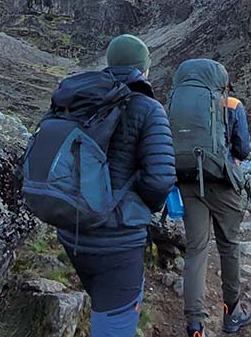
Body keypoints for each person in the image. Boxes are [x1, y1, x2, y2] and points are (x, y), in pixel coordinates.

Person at [57, 34, 176, 336]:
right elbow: (160, 179)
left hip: (71, 229)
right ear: (143, 69)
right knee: (114, 325)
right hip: (117, 241)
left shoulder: (79, 101)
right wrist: (143, 207)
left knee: (100, 300)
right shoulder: (149, 108)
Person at [168, 59, 251, 336]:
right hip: (222, 182)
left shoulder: (175, 103)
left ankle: (195, 325)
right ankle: (232, 313)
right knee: (229, 245)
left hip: (187, 183)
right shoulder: (231, 104)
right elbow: (243, 150)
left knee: (196, 251)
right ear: (221, 80)